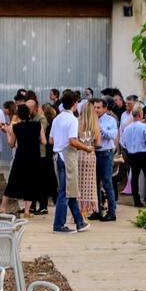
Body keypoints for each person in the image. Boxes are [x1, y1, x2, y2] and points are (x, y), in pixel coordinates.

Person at [3, 101, 53, 215]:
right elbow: (44, 141)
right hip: (34, 157)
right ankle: (27, 210)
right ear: (29, 114)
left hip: (21, 157)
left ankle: (2, 207)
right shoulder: (37, 125)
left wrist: (7, 132)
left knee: (13, 181)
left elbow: (11, 144)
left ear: (19, 115)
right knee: (31, 183)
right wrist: (35, 139)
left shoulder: (16, 127)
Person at [50, 94, 87, 233]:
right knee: (65, 193)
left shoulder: (57, 118)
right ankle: (59, 225)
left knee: (69, 190)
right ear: (75, 103)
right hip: (67, 157)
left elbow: (51, 140)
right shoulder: (72, 119)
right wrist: (86, 147)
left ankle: (79, 222)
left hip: (57, 156)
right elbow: (73, 141)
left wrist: (60, 140)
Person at [120, 106, 146, 206]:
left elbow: (122, 142)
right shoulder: (144, 126)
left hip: (132, 154)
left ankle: (136, 200)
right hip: (144, 153)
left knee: (134, 178)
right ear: (140, 115)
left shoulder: (127, 128)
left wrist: (130, 147)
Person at [93, 97, 119, 220]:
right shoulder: (92, 119)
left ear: (104, 108)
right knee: (95, 183)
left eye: (98, 107)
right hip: (94, 153)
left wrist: (101, 129)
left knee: (107, 183)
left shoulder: (110, 120)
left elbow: (113, 135)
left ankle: (111, 212)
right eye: (95, 107)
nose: (96, 109)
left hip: (106, 153)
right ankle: (97, 210)